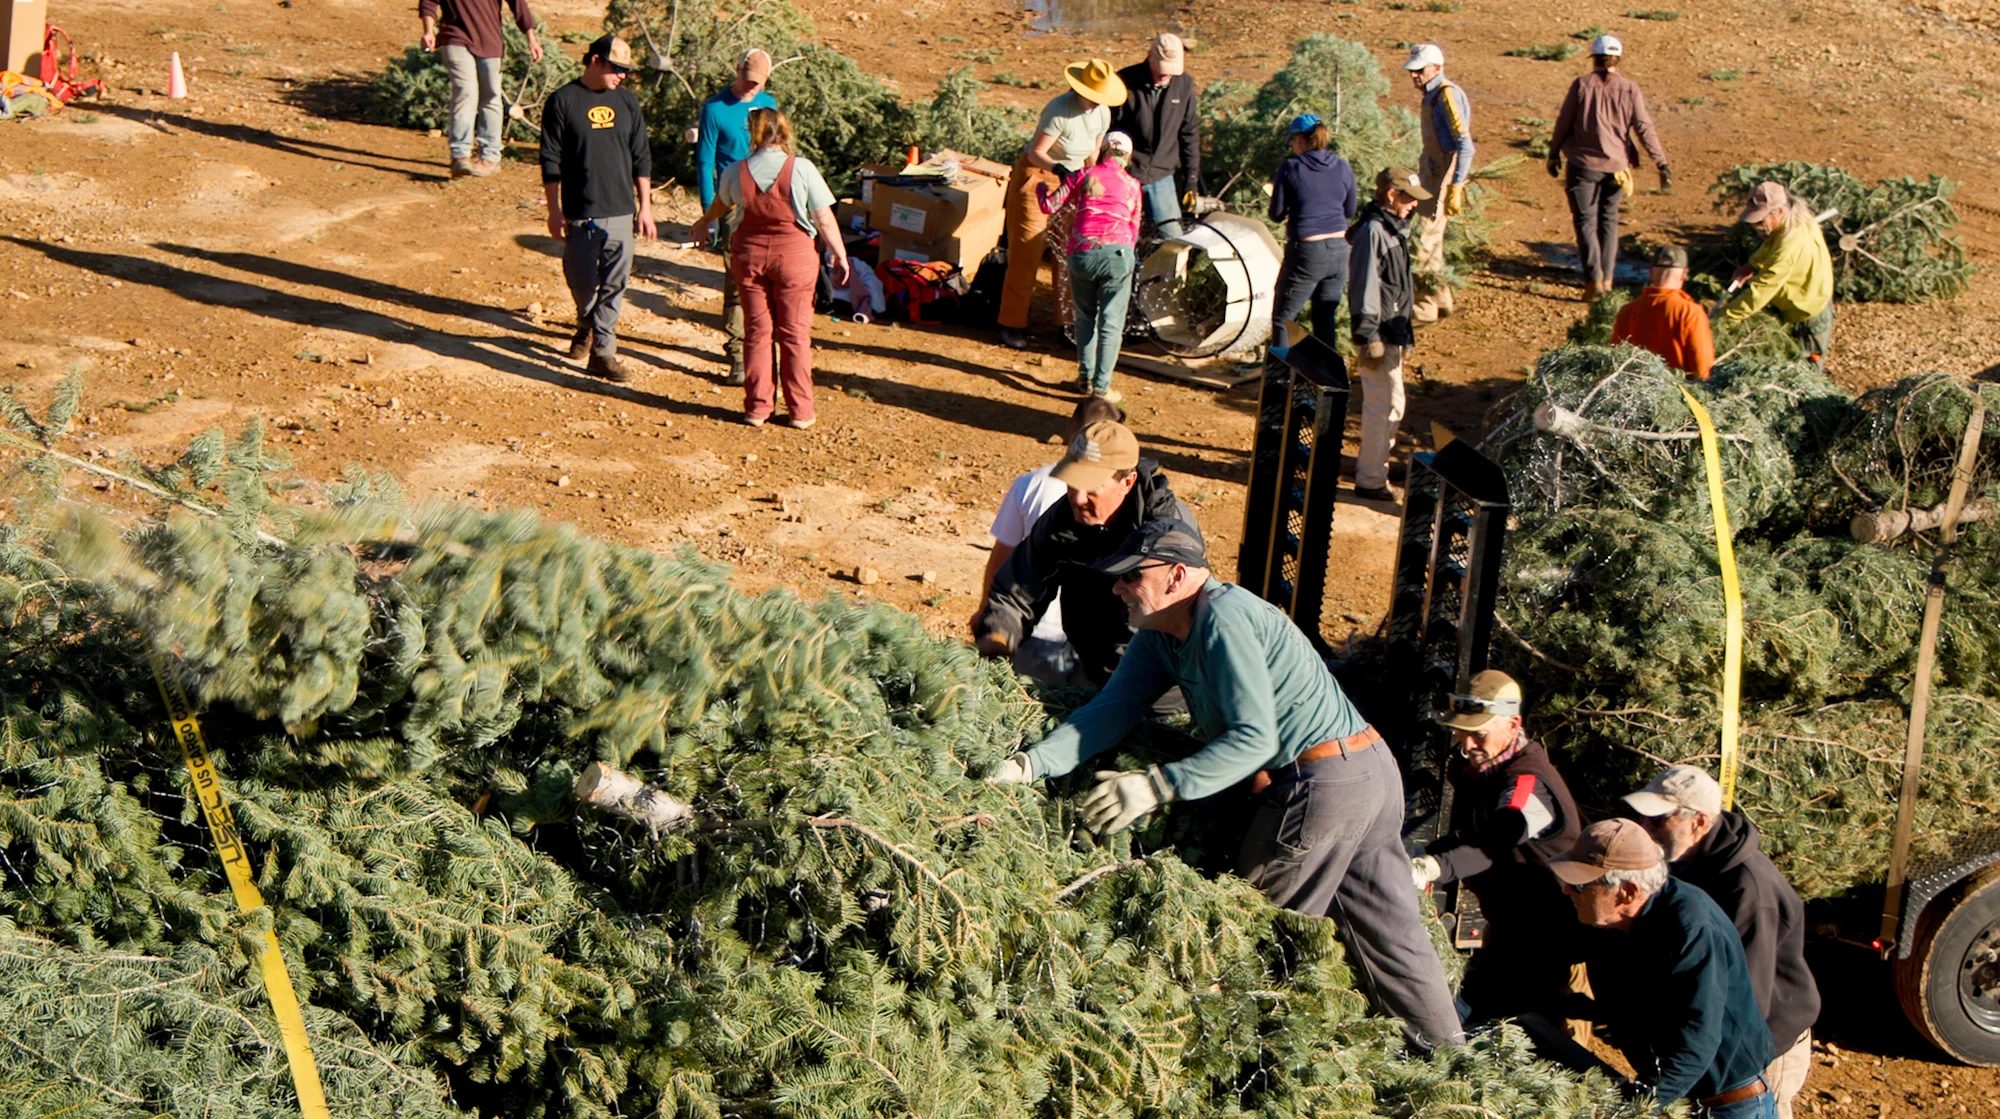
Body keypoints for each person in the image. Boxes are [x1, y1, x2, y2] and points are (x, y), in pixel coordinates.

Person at [986, 520, 1466, 1052]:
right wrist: (1031, 765)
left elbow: (1256, 739)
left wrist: (1157, 786)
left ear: (1176, 575)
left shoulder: (1223, 619)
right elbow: (1111, 710)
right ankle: (1453, 1065)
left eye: (1130, 577)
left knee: (1241, 938)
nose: (1117, 588)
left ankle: (1240, 1069)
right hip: (1366, 771)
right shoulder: (1161, 637)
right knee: (1393, 939)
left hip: (1322, 783)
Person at [1626, 766, 1821, 1119]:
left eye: (1657, 820)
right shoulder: (1686, 860)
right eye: (1642, 818)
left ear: (1698, 822)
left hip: (1761, 1049)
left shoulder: (1747, 889)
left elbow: (1748, 994)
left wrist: (1714, 1068)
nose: (1645, 828)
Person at [1552, 820, 1779, 1117]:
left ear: (1627, 893)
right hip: (1678, 1092)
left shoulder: (1691, 930)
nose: (1568, 890)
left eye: (1581, 884)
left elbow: (1697, 1039)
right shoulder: (1610, 921)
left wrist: (1633, 1110)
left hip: (1726, 1105)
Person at [1411, 670, 1581, 1024]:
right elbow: (1472, 835)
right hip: (1511, 930)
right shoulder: (1487, 770)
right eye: (1461, 732)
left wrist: (1435, 867)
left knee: (1513, 1029)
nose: (1467, 745)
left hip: (1544, 943)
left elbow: (1497, 838)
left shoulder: (1530, 785)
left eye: (1478, 734)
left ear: (1513, 723)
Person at [972, 420, 1197, 686]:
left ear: (1127, 482)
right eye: (1072, 483)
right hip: (1090, 668)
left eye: (1091, 488)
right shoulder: (1065, 519)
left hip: (1157, 688)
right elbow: (1018, 588)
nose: (1078, 498)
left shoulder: (1165, 536)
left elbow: (1165, 634)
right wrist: (998, 635)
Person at [689, 107, 852, 429]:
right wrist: (840, 255)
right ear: (785, 132)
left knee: (757, 333)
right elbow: (823, 218)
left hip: (748, 256)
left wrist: (702, 222)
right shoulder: (802, 168)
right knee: (794, 335)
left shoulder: (737, 170)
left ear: (753, 134)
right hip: (794, 257)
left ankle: (758, 408)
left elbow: (722, 203)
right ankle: (800, 411)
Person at [973, 396, 1127, 688]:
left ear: (1072, 429)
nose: (1079, 497)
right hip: (1078, 638)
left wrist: (986, 610)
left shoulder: (1033, 483)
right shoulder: (1118, 498)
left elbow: (1002, 556)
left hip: (1038, 634)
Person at [539, 35, 655, 384]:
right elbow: (550, 158)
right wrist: (554, 209)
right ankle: (586, 323)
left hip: (621, 208)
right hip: (579, 211)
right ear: (594, 61)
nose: (622, 76)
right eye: (617, 68)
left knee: (615, 285)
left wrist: (645, 207)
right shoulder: (563, 100)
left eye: (626, 70)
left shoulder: (627, 102)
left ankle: (603, 353)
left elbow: (642, 156)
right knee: (582, 282)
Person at [998, 59, 1127, 351]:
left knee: (1069, 252)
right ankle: (1012, 322)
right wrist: (1059, 170)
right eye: (1092, 97)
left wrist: (1091, 181)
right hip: (1039, 177)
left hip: (1074, 179)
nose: (1096, 103)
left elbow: (1093, 151)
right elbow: (1036, 152)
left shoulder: (1102, 114)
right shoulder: (1058, 110)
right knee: (1027, 250)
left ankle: (1067, 323)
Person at [1547, 35, 1671, 301]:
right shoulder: (1629, 89)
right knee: (1609, 221)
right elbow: (1643, 127)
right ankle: (1608, 280)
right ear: (1618, 59)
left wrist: (1553, 153)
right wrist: (1660, 161)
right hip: (1617, 168)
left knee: (1585, 221)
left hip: (1582, 166)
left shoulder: (1581, 85)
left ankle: (1593, 282)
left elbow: (1564, 121)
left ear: (1593, 58)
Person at [1038, 132, 1143, 403]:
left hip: (1082, 253)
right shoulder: (1132, 185)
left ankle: (1084, 378)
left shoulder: (1083, 175)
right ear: (1127, 157)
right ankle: (1101, 387)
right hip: (1118, 254)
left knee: (1085, 317)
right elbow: (1134, 228)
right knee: (1111, 321)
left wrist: (1040, 188)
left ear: (1103, 151)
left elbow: (1049, 206)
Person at [695, 50, 779, 385]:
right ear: (737, 71)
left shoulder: (768, 102)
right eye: (746, 80)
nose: (750, 88)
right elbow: (704, 161)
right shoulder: (715, 109)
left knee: (769, 279)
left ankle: (763, 349)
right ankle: (737, 354)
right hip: (731, 203)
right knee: (737, 281)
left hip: (768, 204)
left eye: (757, 83)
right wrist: (708, 214)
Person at [1346, 166, 1429, 503]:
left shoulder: (1393, 229)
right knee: (1386, 405)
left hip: (1392, 332)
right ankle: (1370, 479)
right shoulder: (1374, 231)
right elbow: (1363, 285)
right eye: (1409, 198)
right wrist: (1368, 337)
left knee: (1391, 405)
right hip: (1379, 334)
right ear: (1391, 194)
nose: (1413, 205)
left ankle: (1372, 474)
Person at [419, 0, 543, 178]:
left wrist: (532, 39)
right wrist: (429, 31)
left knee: (491, 97)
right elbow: (428, 2)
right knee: (465, 92)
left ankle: (490, 156)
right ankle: (460, 155)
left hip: (490, 41)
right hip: (455, 38)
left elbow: (518, 5)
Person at [1717, 181, 1836, 362]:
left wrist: (1722, 321)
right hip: (1797, 304)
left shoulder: (1790, 245)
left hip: (1808, 315)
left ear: (1779, 211)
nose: (1756, 225)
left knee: (1804, 375)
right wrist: (1751, 265)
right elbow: (1770, 244)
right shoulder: (1793, 222)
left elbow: (1761, 292)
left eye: (1760, 220)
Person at [1268, 113, 1358, 346]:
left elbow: (1275, 215)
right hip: (1340, 251)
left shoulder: (1291, 168)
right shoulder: (1342, 166)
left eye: (1291, 141)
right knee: (1325, 318)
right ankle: (1327, 380)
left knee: (1283, 319)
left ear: (1299, 140)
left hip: (1307, 251)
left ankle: (1279, 381)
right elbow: (1349, 211)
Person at [1402, 43, 1473, 324]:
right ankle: (1442, 301)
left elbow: (1465, 147)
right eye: (1412, 71)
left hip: (1442, 177)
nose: (1414, 76)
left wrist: (1456, 186)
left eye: (1419, 70)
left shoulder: (1446, 96)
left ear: (1436, 68)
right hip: (1432, 174)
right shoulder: (1432, 96)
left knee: (1425, 241)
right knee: (1434, 242)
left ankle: (1425, 308)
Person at [1112, 33, 1199, 239]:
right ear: (1149, 57)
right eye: (1161, 69)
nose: (1165, 76)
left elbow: (1189, 132)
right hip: (1127, 172)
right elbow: (1111, 131)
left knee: (1172, 239)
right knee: (1120, 237)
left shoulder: (1184, 84)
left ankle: (1165, 273)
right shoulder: (1125, 81)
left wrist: (1191, 179)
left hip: (1162, 175)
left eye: (1170, 71)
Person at [1611, 246, 1715, 380]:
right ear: (1684, 274)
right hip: (1677, 393)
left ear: (1650, 273)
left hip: (1636, 392)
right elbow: (1702, 365)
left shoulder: (1628, 310)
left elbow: (1615, 357)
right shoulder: (1690, 312)